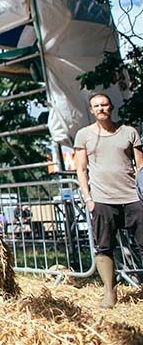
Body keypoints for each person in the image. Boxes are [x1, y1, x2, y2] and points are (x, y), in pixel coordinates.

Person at [74, 92, 143, 308]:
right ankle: (109, 292)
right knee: (104, 246)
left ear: (111, 107)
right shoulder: (83, 135)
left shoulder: (129, 132)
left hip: (133, 197)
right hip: (102, 199)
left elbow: (141, 167)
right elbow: (81, 169)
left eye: (104, 104)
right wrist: (88, 199)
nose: (101, 108)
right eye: (96, 106)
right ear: (91, 110)